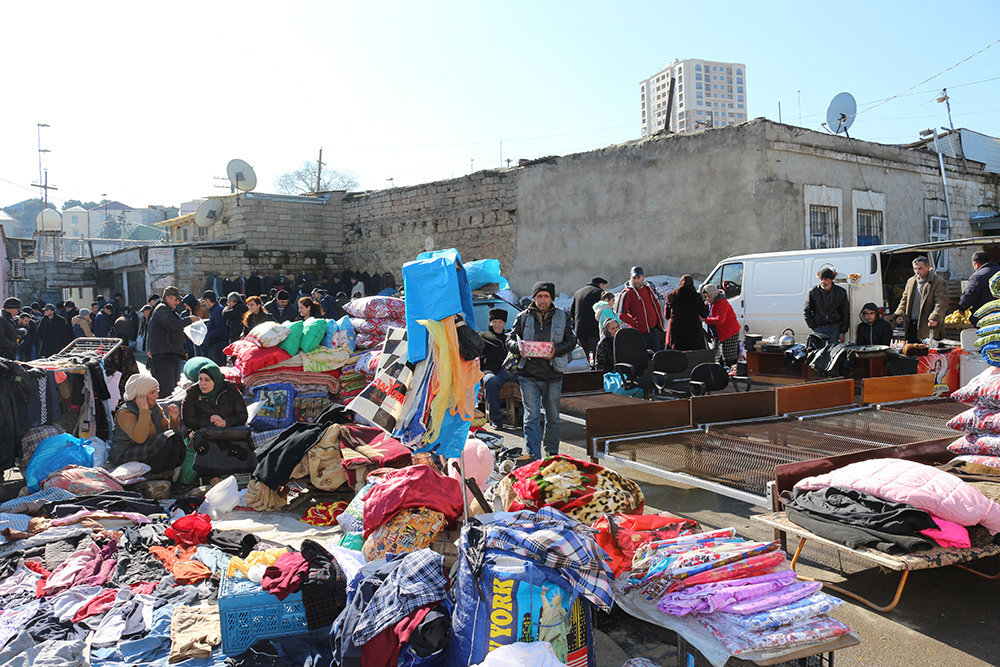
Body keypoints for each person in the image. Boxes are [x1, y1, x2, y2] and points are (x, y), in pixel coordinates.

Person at [505, 281, 577, 459]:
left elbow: (572, 341)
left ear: (552, 298)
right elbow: (509, 340)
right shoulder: (523, 317)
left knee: (553, 418)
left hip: (553, 375)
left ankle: (552, 454)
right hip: (528, 375)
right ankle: (533, 456)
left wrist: (555, 350)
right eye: (539, 296)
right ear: (534, 297)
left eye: (546, 296)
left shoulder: (563, 316)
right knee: (531, 418)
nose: (542, 300)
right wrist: (518, 348)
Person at [110, 373, 185, 474]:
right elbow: (140, 438)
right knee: (163, 440)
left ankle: (168, 473)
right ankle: (158, 473)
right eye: (152, 392)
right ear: (141, 394)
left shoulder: (155, 407)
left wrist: (174, 418)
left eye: (157, 391)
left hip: (147, 447)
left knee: (175, 437)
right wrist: (144, 411)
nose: (157, 396)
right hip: (124, 453)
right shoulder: (125, 412)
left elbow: (168, 432)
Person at [148, 286, 198, 398]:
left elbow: (176, 327)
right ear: (167, 298)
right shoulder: (161, 310)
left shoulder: (169, 311)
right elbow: (172, 325)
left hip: (170, 354)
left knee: (172, 386)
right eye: (175, 300)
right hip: (163, 355)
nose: (178, 303)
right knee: (166, 387)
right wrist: (189, 320)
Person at [181, 358, 248, 431]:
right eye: (200, 379)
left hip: (229, 433)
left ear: (216, 380)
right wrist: (210, 421)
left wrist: (226, 422)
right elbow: (188, 420)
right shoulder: (193, 392)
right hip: (205, 435)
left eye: (207, 380)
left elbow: (242, 415)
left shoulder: (230, 389)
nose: (202, 383)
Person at [893, 256, 949, 343]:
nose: (917, 271)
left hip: (928, 326)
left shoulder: (938, 282)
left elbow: (941, 302)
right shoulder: (911, 281)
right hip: (912, 325)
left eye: (920, 268)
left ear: (928, 267)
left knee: (928, 354)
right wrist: (899, 313)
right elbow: (904, 300)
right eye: (915, 268)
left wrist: (935, 317)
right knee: (913, 352)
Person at [479, 308, 517, 429]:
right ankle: (496, 418)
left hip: (511, 370)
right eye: (494, 321)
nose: (497, 324)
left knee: (529, 379)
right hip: (493, 371)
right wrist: (487, 359)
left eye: (500, 322)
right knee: (490, 381)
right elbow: (479, 356)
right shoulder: (483, 336)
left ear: (504, 323)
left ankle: (524, 415)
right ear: (490, 322)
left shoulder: (510, 337)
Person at [615, 266, 665, 352]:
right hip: (639, 334)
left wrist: (660, 324)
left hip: (653, 331)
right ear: (630, 278)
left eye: (638, 277)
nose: (636, 280)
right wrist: (636, 323)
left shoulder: (648, 289)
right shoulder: (627, 293)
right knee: (642, 359)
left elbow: (656, 306)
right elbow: (621, 315)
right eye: (634, 278)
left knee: (656, 358)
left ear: (643, 277)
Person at [804, 268, 849, 343]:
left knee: (833, 352)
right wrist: (813, 327)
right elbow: (806, 311)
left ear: (832, 280)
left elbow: (845, 312)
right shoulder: (813, 292)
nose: (823, 282)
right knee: (818, 352)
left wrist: (842, 332)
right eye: (821, 279)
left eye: (826, 279)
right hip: (819, 327)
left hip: (835, 328)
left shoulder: (841, 292)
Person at [664, 274, 708, 351]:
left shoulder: (672, 296)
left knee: (677, 354)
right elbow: (704, 313)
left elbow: (667, 315)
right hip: (693, 330)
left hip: (676, 330)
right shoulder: (696, 296)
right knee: (694, 355)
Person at [570, 276, 607, 368]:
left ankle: (589, 373)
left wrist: (575, 326)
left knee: (587, 358)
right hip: (594, 330)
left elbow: (571, 312)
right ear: (601, 285)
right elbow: (605, 311)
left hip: (580, 331)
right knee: (597, 356)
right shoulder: (600, 293)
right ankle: (596, 375)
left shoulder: (578, 292)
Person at [702, 284, 740, 367]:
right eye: (705, 297)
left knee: (728, 357)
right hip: (718, 334)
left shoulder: (722, 303)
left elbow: (720, 320)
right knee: (716, 356)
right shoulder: (710, 303)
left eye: (708, 296)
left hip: (729, 333)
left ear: (712, 294)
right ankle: (722, 372)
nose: (706, 299)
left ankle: (729, 374)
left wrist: (705, 320)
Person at [958, 250, 1000, 325]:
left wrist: (961, 308)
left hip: (985, 318)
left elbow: (969, 296)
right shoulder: (998, 272)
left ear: (976, 264)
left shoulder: (977, 276)